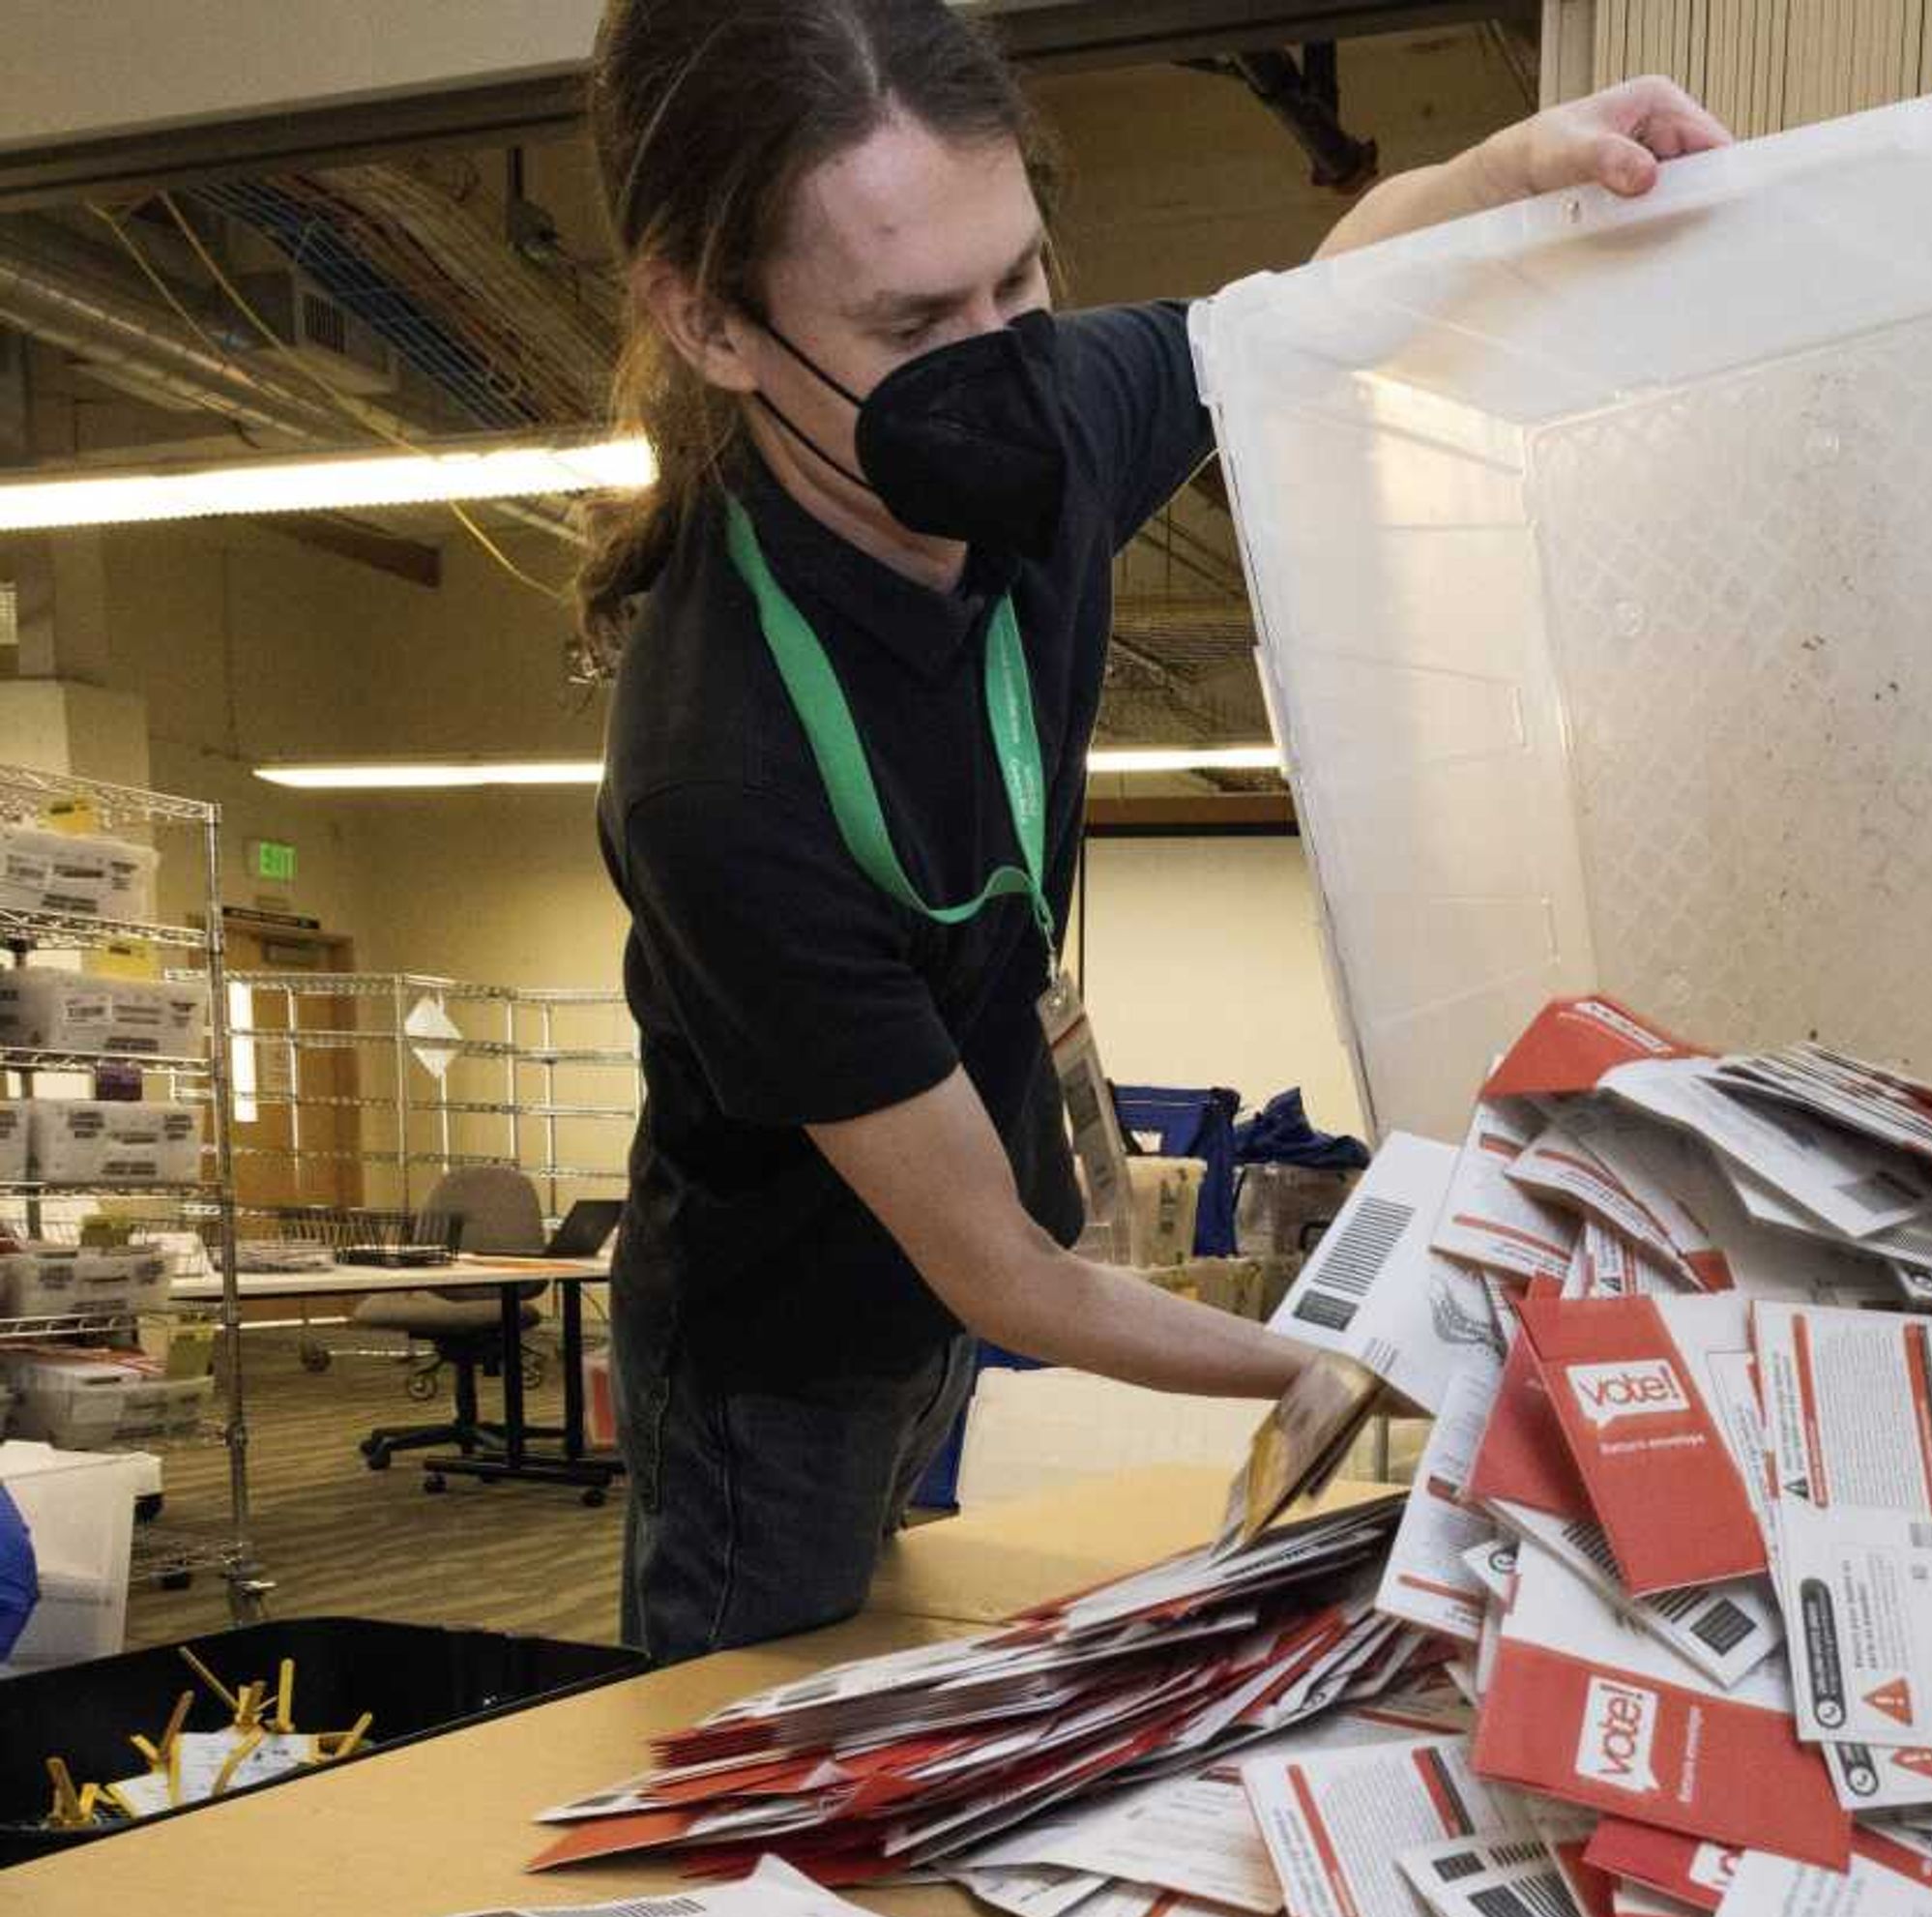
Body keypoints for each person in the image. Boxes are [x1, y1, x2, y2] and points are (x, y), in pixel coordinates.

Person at [574, 0, 1725, 1657]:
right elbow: (1008, 1280)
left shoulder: (1031, 433)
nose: (997, 362)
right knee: (758, 1727)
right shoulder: (725, 777)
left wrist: (1504, 169)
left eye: (1018, 283)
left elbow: (1302, 317)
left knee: (916, 1652)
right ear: (710, 323)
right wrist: (1383, 1350)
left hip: (941, 1306)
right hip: (775, 1358)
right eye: (912, 325)